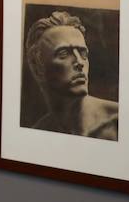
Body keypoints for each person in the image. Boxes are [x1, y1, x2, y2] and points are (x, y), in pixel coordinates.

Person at [25, 10, 119, 140]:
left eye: (83, 54)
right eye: (63, 54)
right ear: (38, 67)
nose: (79, 62)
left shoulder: (118, 120)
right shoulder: (36, 134)